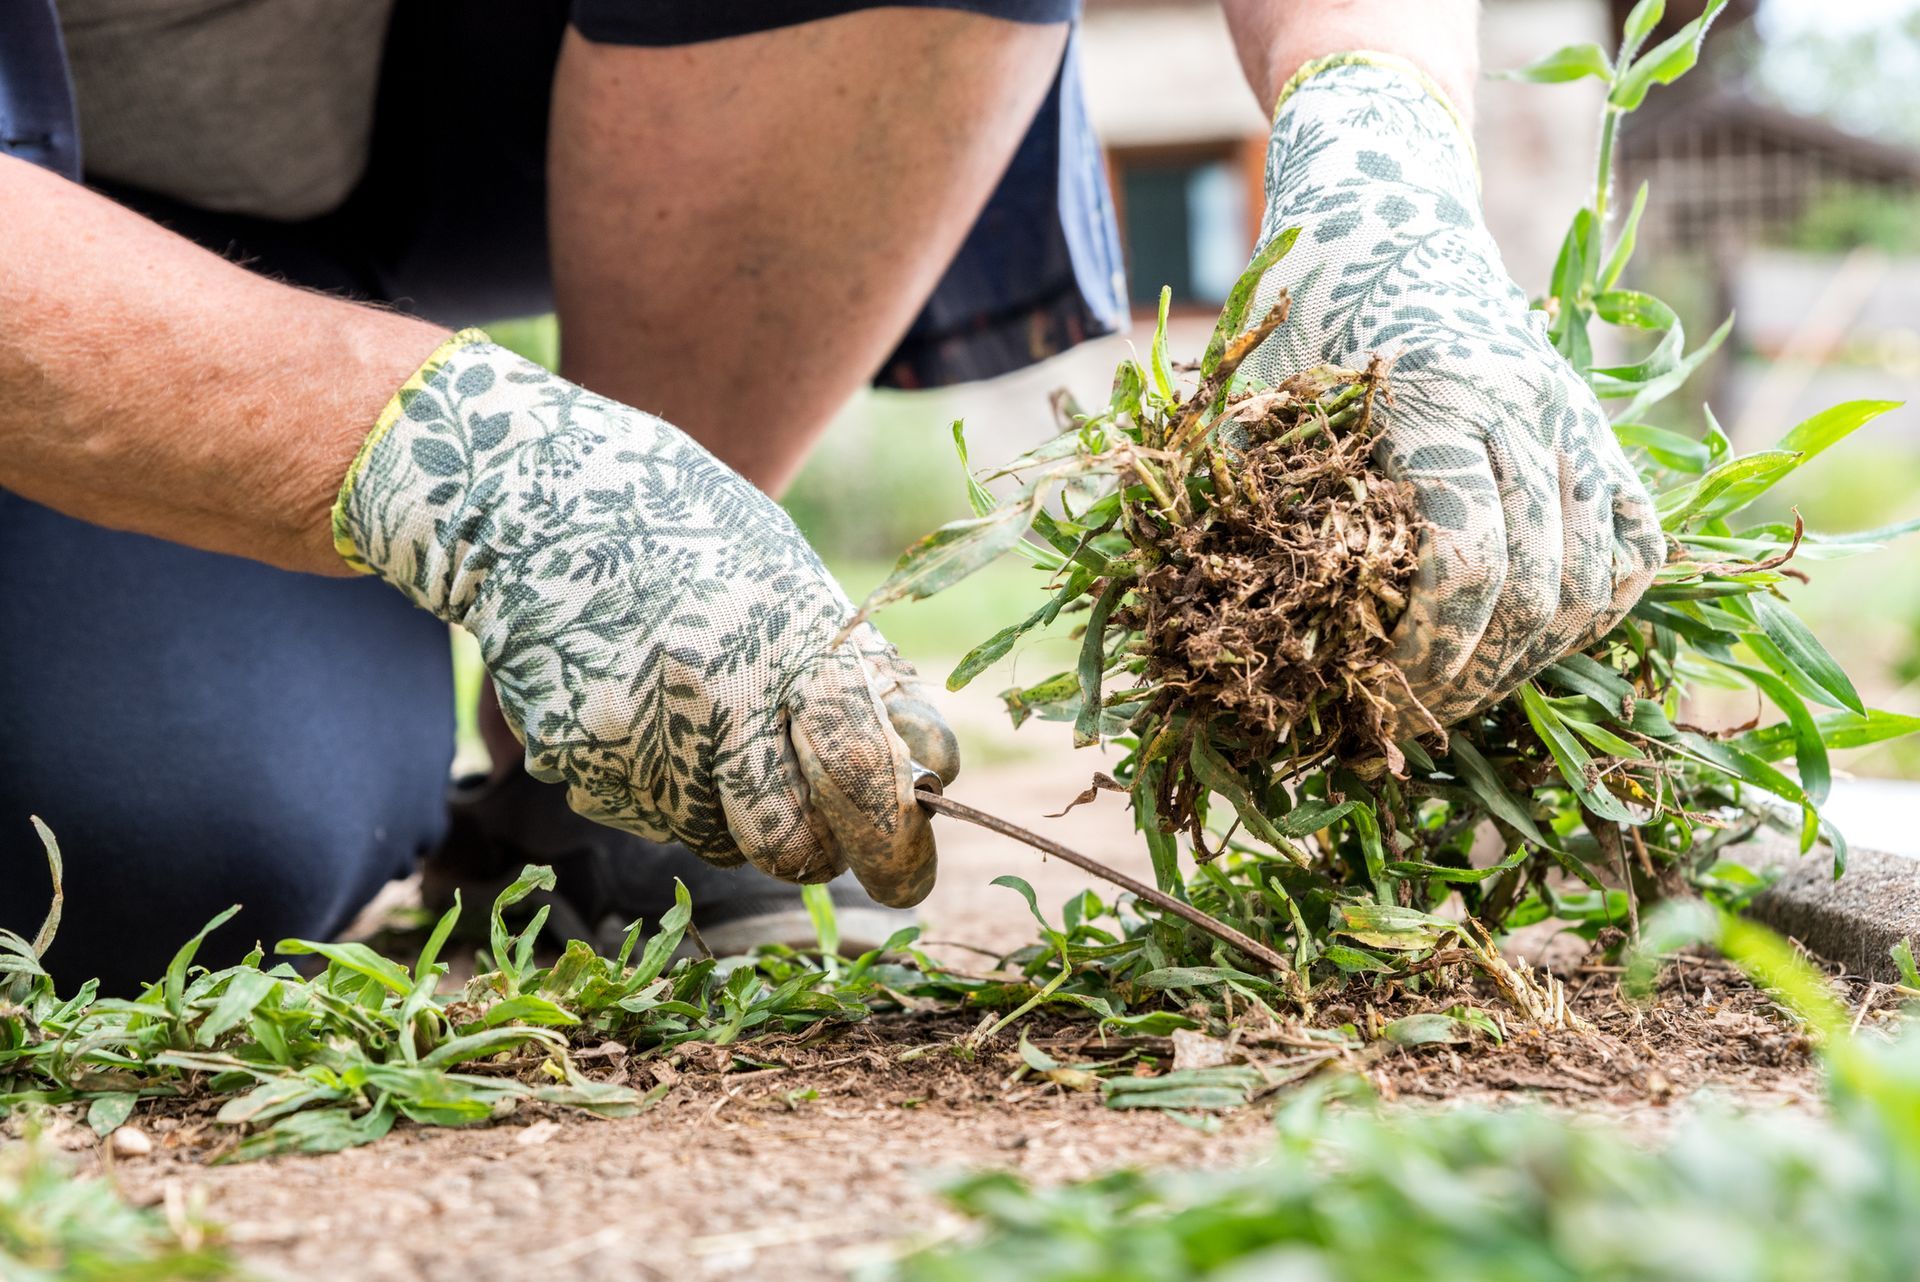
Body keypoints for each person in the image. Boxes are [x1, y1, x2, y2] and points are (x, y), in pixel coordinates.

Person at [0, 0, 1662, 995]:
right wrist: (467, 467)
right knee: (156, 843)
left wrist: (1378, 142)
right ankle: (554, 570)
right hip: (58, 218)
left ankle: (617, 761)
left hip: (498, 100)